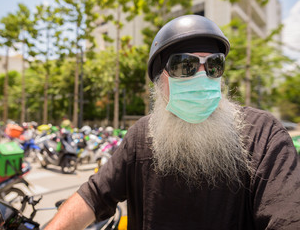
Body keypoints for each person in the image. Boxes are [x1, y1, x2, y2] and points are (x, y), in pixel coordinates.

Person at [45, 15, 300, 229]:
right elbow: (93, 196)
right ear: (160, 81)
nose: (202, 75)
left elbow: (287, 218)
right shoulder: (141, 136)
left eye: (214, 65)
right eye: (184, 65)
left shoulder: (263, 134)